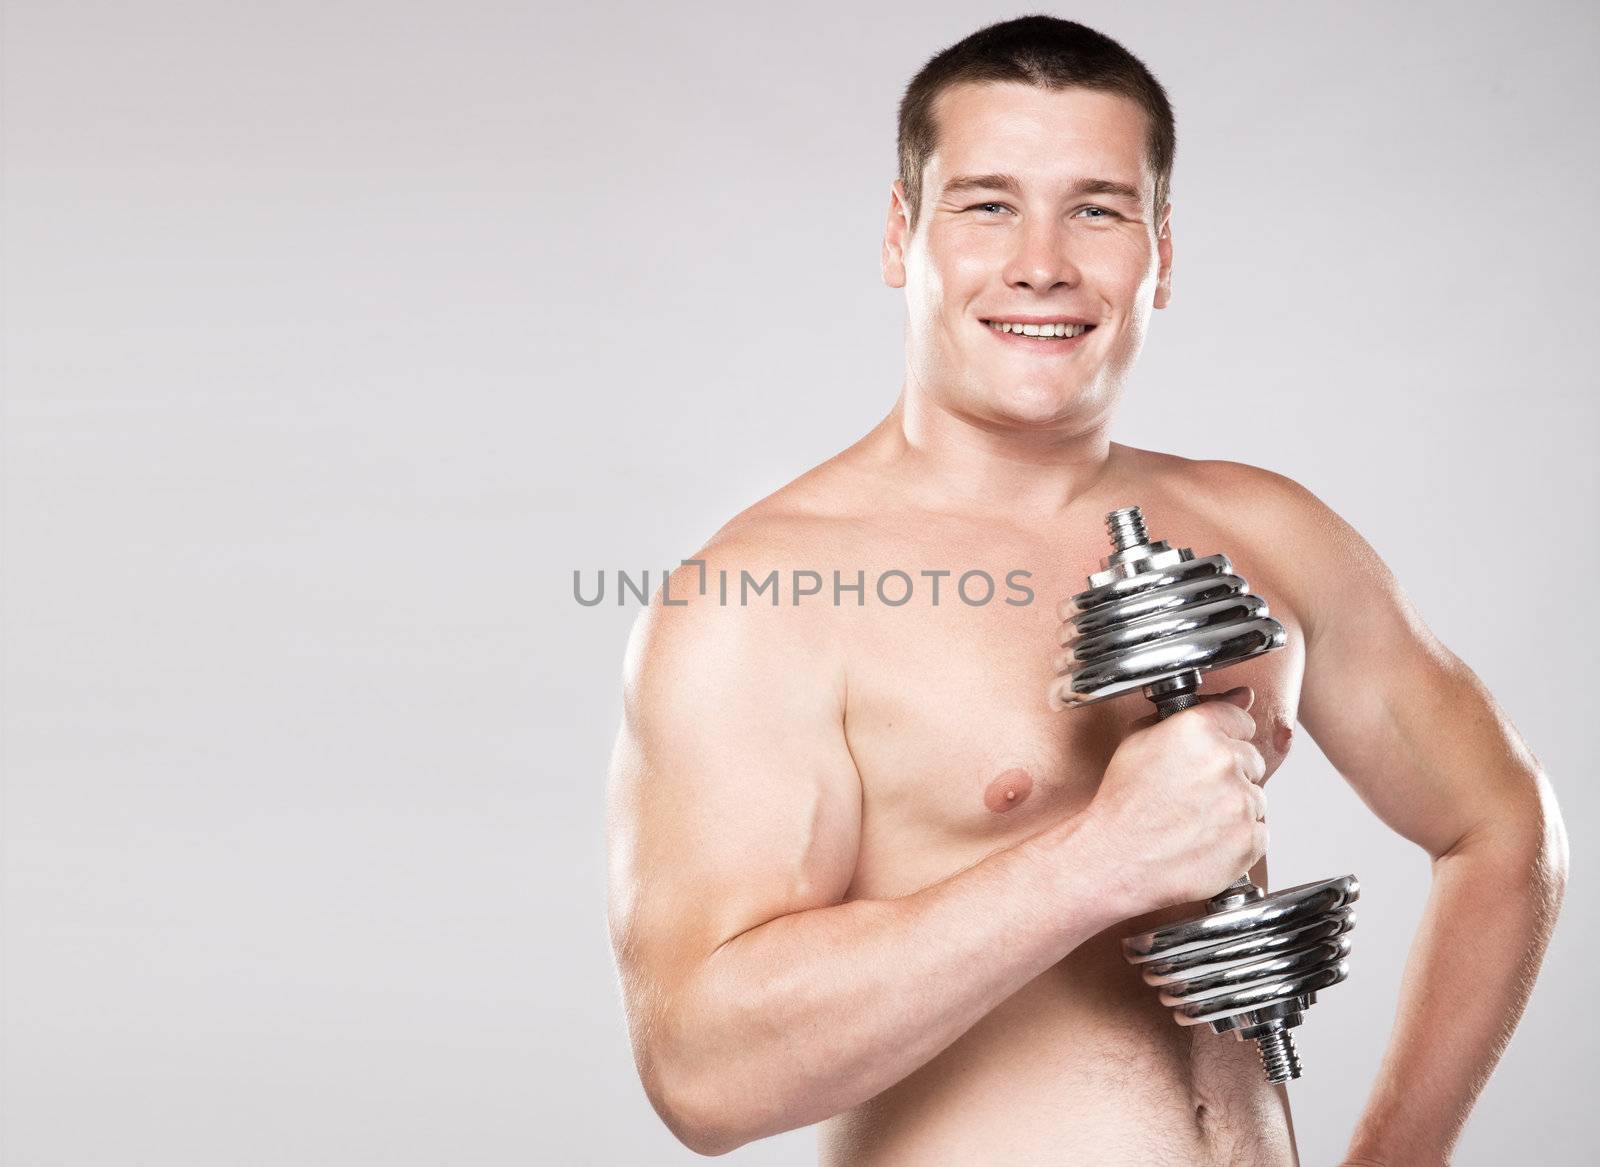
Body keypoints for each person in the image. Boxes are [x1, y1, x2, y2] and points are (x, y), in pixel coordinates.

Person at [603, 15, 1568, 1165]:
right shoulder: (762, 594)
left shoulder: (1269, 531)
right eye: (987, 203)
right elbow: (701, 1078)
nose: (1042, 262)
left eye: (1097, 209)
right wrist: (1096, 860)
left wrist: (1399, 1157)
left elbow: (1501, 826)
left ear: (1161, 253)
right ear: (900, 234)